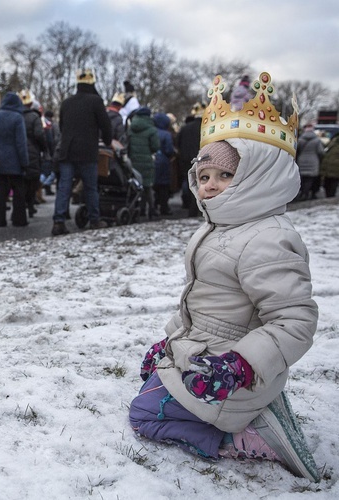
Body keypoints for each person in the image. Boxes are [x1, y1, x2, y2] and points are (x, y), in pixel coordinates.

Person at [129, 72, 320, 482]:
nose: (210, 186)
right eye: (203, 177)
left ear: (257, 177)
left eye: (225, 175)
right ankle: (250, 410)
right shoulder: (218, 227)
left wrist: (241, 366)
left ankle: (249, 438)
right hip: (206, 355)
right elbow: (202, 302)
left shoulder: (267, 238)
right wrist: (169, 341)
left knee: (145, 413)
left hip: (229, 372)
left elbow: (295, 320)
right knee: (150, 383)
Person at [51, 69, 113, 235]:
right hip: (87, 151)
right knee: (91, 187)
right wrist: (108, 141)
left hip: (67, 150)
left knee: (64, 187)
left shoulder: (66, 102)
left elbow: (63, 126)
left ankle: (58, 221)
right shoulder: (96, 101)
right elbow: (106, 126)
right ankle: (94, 219)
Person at [0, 91, 29, 227]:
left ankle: (0, 219)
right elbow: (21, 143)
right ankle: (19, 219)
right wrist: (25, 162)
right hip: (14, 160)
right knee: (18, 191)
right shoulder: (17, 118)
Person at [127, 107, 160, 219]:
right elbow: (156, 146)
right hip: (147, 161)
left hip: (133, 162)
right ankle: (151, 210)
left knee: (135, 187)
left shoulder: (130, 128)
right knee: (147, 186)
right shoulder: (152, 129)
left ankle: (137, 209)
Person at [19, 90, 48, 217]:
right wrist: (44, 148)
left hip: (19, 152)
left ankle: (23, 205)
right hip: (33, 152)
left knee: (21, 181)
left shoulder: (17, 115)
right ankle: (31, 206)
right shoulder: (35, 117)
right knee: (33, 181)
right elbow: (39, 135)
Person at [177, 103, 205, 217]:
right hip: (202, 158)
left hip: (186, 159)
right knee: (201, 182)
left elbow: (178, 143)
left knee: (189, 181)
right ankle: (197, 208)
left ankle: (189, 205)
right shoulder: (207, 128)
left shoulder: (185, 128)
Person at [152, 112, 176, 215]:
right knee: (164, 186)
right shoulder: (166, 134)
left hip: (153, 160)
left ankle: (154, 205)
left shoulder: (152, 132)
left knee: (154, 185)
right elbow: (169, 150)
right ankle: (164, 208)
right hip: (164, 162)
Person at [295, 123, 324, 201]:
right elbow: (321, 152)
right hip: (313, 161)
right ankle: (306, 193)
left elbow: (296, 151)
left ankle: (301, 192)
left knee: (302, 178)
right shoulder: (317, 140)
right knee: (310, 179)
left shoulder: (300, 139)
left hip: (302, 160)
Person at [319, 133, 339, 197]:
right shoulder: (332, 142)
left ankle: (330, 196)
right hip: (328, 167)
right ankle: (329, 196)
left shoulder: (332, 142)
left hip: (335, 168)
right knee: (327, 184)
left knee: (332, 183)